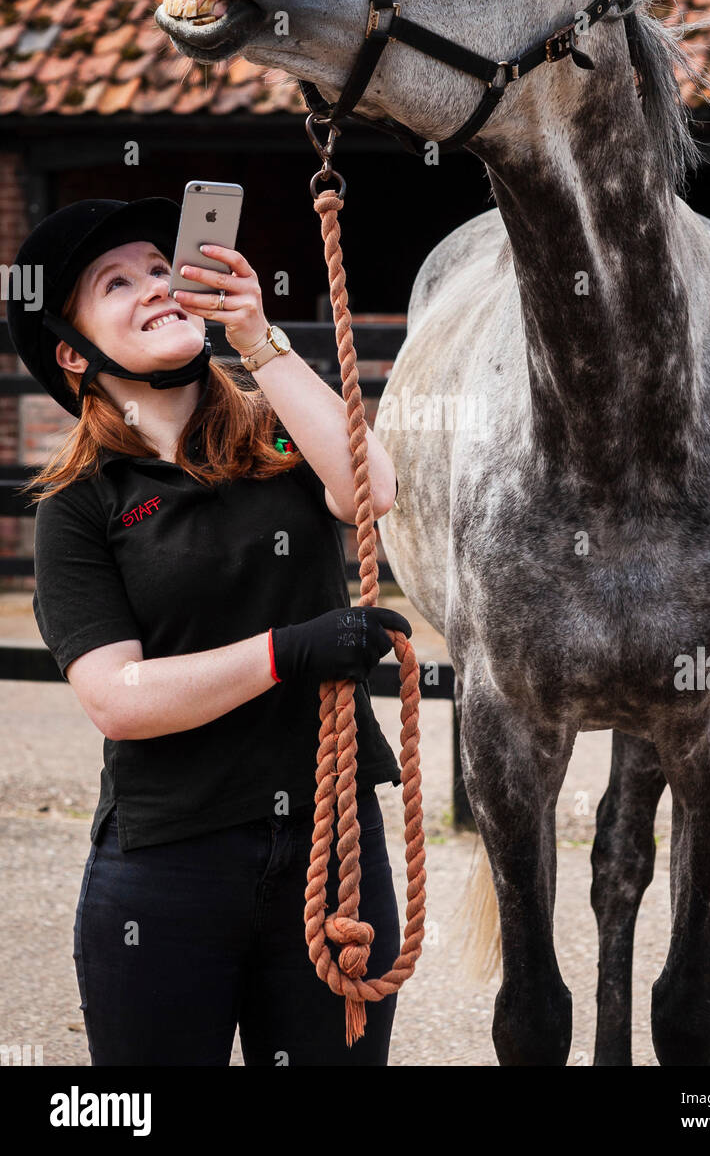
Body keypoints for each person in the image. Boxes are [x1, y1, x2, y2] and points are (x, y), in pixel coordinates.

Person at [6, 196, 412, 1067]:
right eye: (117, 282)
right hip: (168, 866)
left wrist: (260, 341)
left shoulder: (278, 435)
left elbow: (369, 491)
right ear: (74, 354)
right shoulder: (79, 508)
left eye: (162, 268)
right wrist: (283, 653)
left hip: (332, 840)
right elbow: (116, 699)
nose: (154, 285)